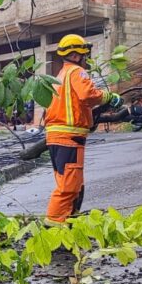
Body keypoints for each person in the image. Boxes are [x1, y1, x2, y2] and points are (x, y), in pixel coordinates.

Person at [43, 34, 118, 224]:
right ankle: (54, 230)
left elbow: (76, 103)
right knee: (68, 187)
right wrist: (109, 97)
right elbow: (88, 94)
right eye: (84, 54)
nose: (85, 59)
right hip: (69, 137)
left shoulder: (60, 76)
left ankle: (67, 222)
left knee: (71, 184)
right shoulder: (76, 72)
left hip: (58, 136)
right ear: (76, 56)